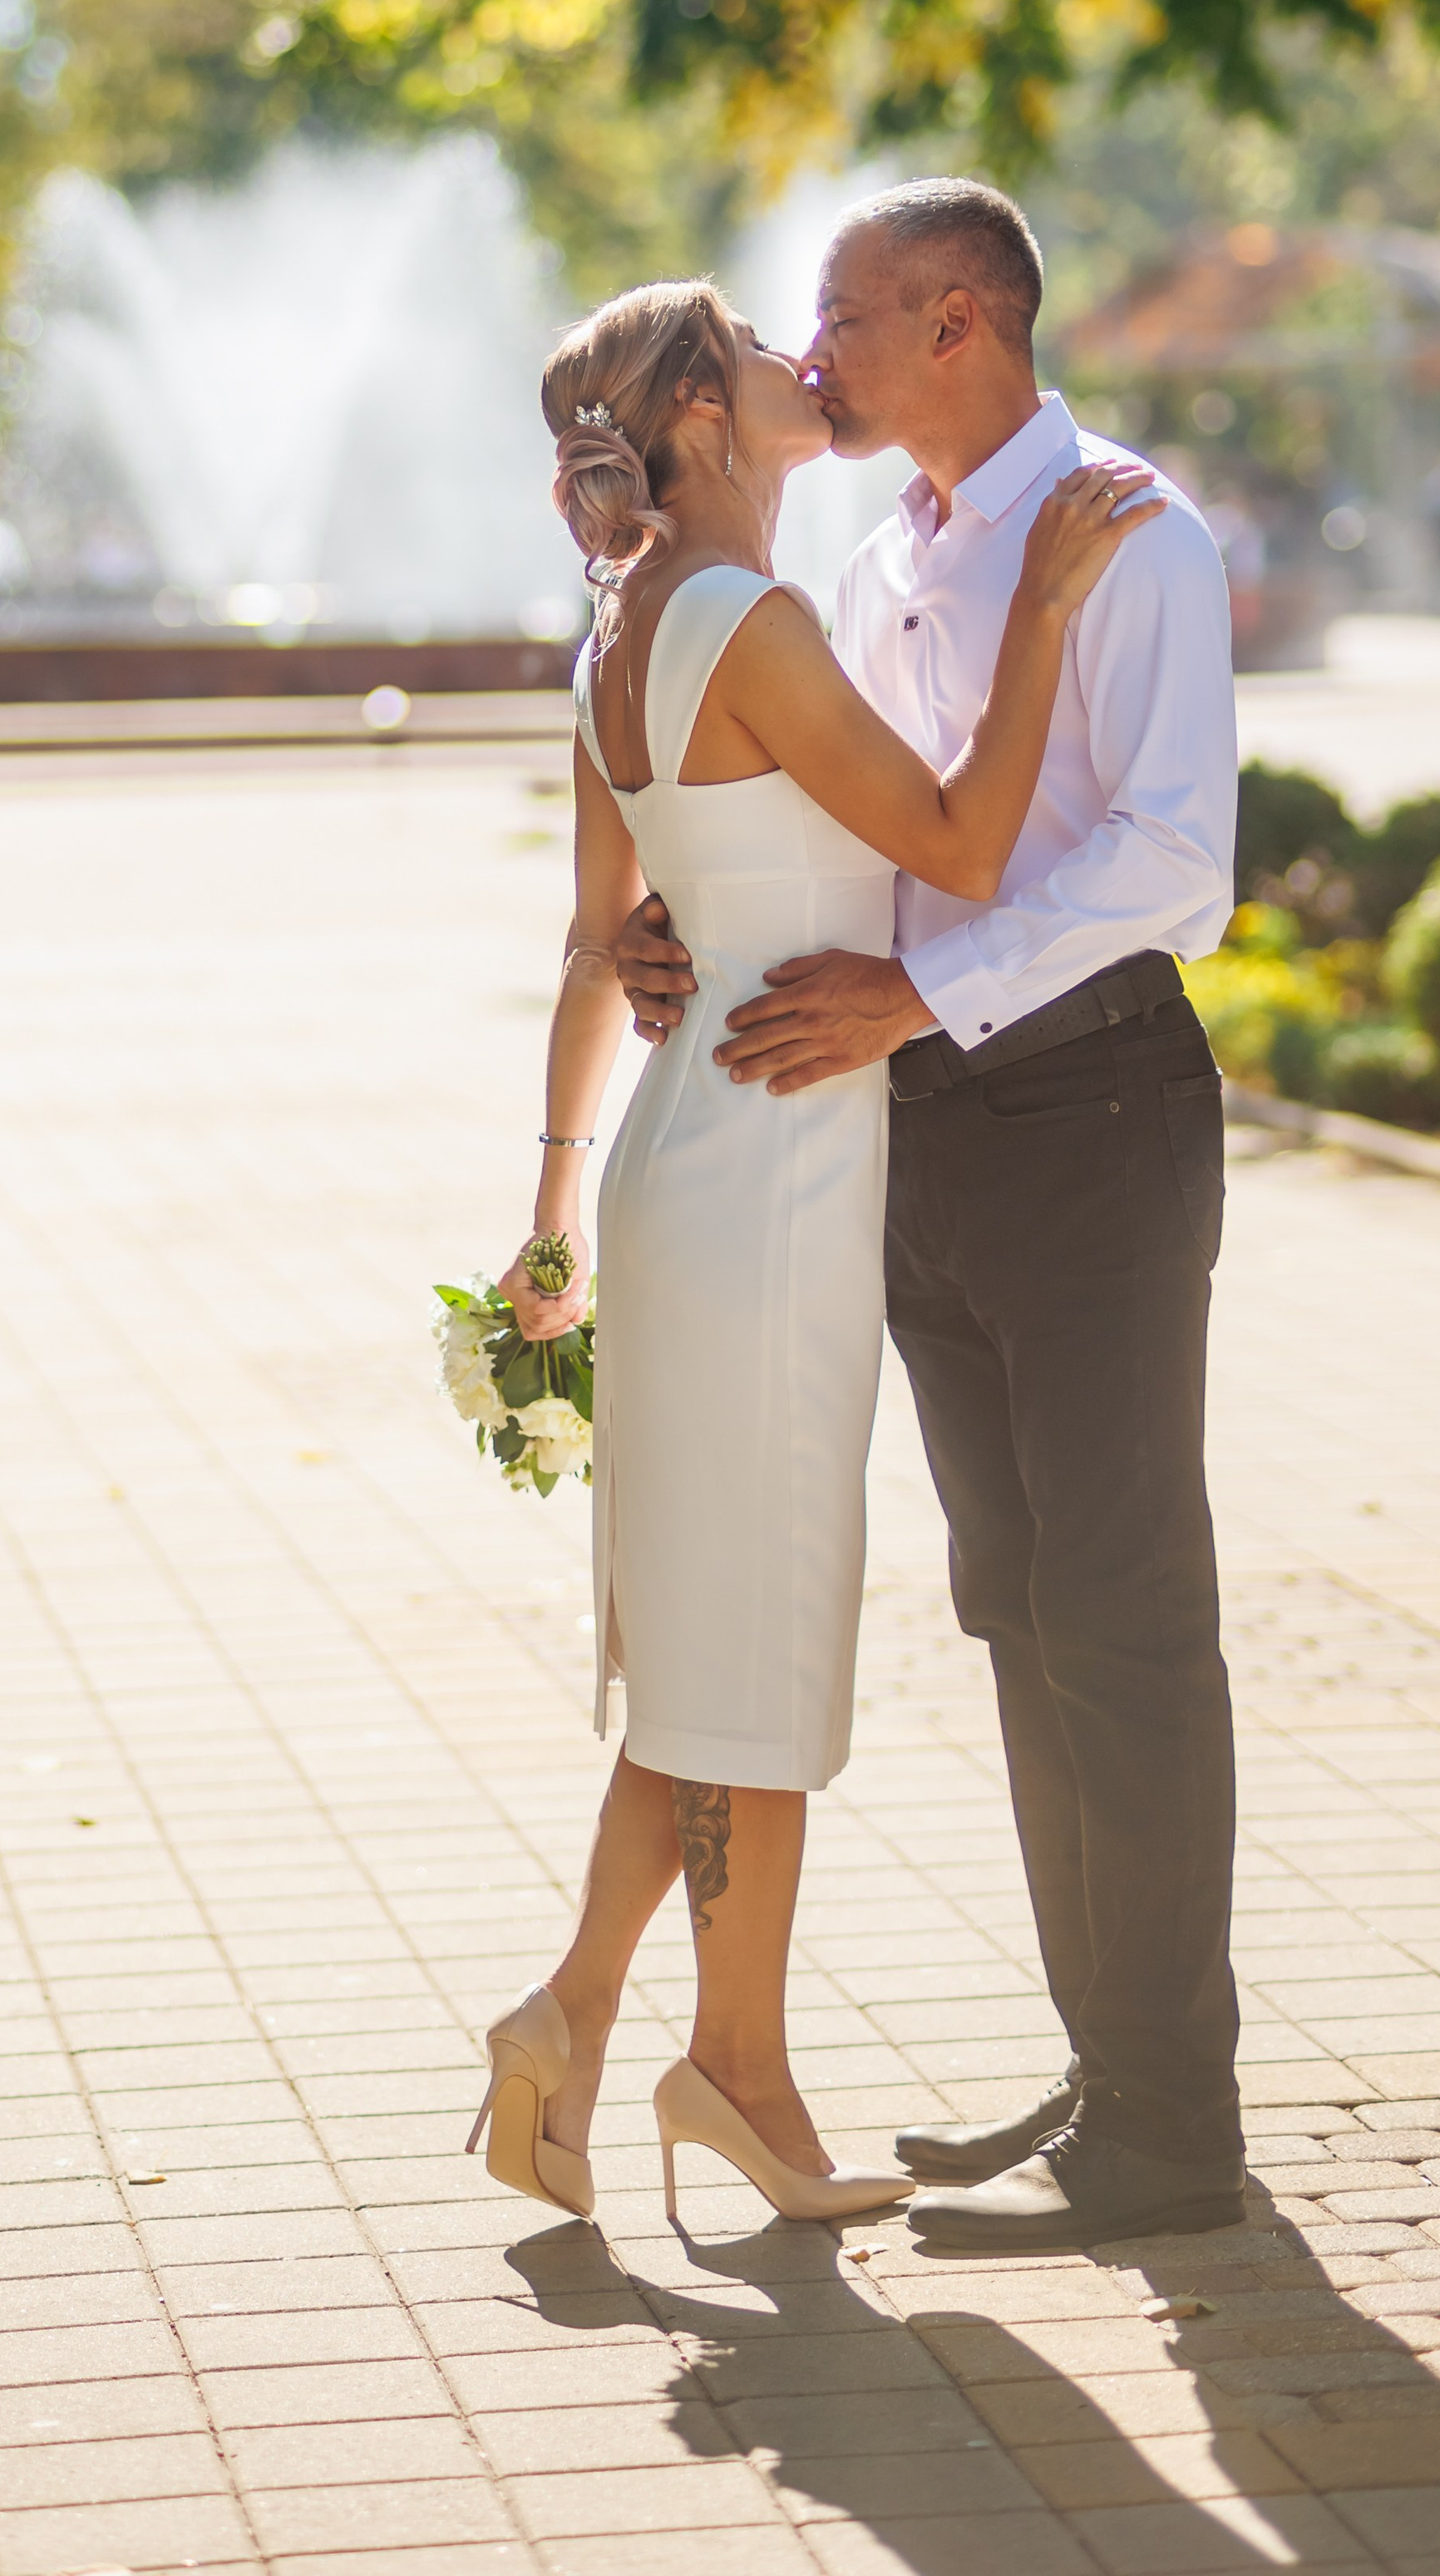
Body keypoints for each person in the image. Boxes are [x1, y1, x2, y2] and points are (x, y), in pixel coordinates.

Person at [465, 274, 1161, 2231]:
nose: (797, 354)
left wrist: (546, 1214)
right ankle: (716, 2064)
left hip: (692, 1164)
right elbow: (951, 839)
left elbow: (601, 949)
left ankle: (603, 2022)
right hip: (767, 1169)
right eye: (760, 340)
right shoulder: (740, 620)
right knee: (750, 1628)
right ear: (699, 403)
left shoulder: (616, 636)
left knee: (712, 1628)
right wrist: (1037, 609)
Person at [614, 182, 1246, 2253]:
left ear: (959, 322)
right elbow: (858, 836)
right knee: (1017, 1612)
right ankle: (1111, 2068)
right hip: (914, 1128)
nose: (813, 356)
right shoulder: (884, 554)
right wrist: (684, 946)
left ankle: (1172, 2129)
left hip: (1087, 1111)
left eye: (845, 318)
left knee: (1126, 1618)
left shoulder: (1131, 533)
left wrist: (917, 989)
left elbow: (1170, 867)